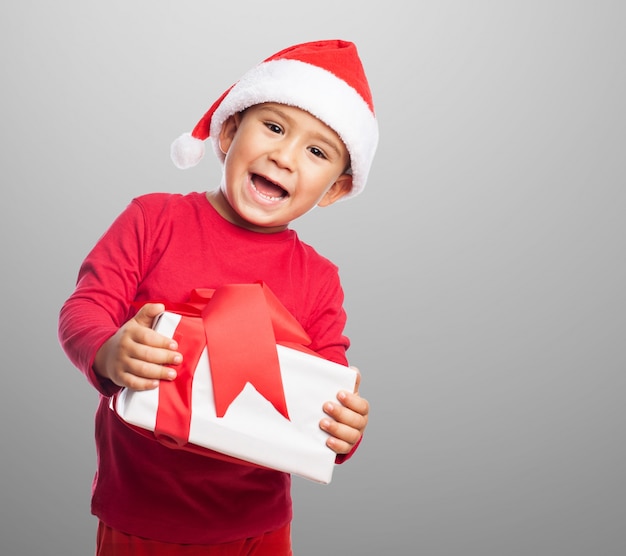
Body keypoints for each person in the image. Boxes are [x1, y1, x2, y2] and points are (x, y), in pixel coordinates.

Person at [58, 39, 379, 555]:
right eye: (273, 127)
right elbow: (85, 306)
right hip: (140, 515)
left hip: (258, 527)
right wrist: (106, 350)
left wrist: (343, 427)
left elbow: (326, 386)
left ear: (335, 189)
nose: (284, 155)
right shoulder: (153, 219)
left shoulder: (319, 279)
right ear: (229, 131)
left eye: (316, 152)